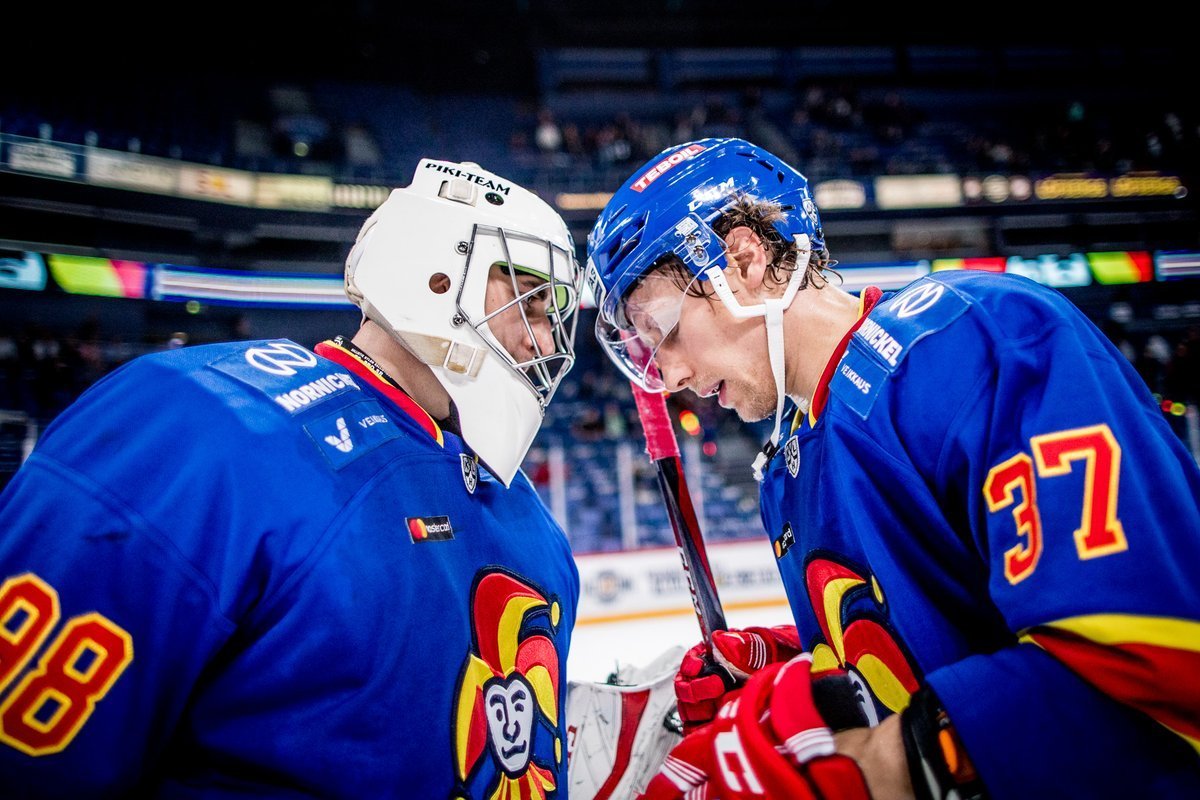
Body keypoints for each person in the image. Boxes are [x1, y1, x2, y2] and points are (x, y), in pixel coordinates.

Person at [585, 137, 1200, 799]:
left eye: (666, 328)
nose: (669, 375)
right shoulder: (786, 470)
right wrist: (794, 668)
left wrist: (872, 766)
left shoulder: (972, 340)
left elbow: (1151, 661)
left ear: (743, 259)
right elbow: (942, 639)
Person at [0, 158, 585, 797]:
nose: (546, 341)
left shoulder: (524, 511)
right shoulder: (204, 423)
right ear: (437, 276)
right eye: (529, 301)